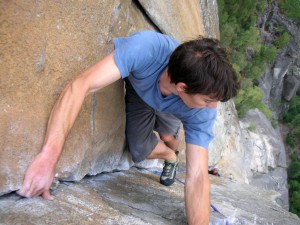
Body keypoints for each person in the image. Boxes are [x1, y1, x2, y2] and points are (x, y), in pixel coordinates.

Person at [17, 30, 240, 225]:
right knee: (139, 150)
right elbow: (80, 85)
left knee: (170, 137)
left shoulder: (201, 110)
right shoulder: (146, 49)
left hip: (177, 109)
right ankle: (169, 154)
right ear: (182, 87)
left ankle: (171, 150)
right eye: (209, 100)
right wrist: (48, 157)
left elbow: (198, 176)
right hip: (142, 94)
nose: (213, 107)